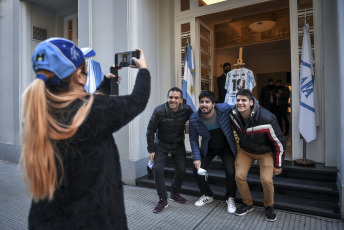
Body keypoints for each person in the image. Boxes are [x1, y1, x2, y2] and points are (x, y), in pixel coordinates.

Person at [21, 37, 150, 229]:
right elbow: (137, 100)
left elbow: (86, 106)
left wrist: (105, 85)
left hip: (46, 220)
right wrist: (144, 70)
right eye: (87, 72)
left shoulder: (37, 115)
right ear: (80, 76)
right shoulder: (94, 112)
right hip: (94, 220)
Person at [229, 89, 286, 222]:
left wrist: (278, 164)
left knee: (266, 180)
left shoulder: (267, 117)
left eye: (244, 100)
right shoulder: (233, 114)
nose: (240, 103)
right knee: (238, 176)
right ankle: (248, 204)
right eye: (238, 100)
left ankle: (269, 206)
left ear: (251, 102)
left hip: (265, 152)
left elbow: (279, 142)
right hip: (245, 151)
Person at [189, 91, 237, 213]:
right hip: (208, 148)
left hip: (226, 147)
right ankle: (207, 195)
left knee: (231, 172)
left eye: (207, 102)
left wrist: (254, 102)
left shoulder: (224, 109)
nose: (204, 104)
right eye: (201, 102)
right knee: (197, 169)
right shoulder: (194, 118)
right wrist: (196, 158)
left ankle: (230, 198)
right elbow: (193, 140)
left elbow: (241, 104)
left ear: (213, 104)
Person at [146, 87, 194, 213]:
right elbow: (150, 130)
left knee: (181, 170)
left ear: (181, 99)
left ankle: (174, 193)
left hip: (178, 144)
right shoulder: (159, 111)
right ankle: (162, 199)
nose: (173, 100)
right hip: (161, 144)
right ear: (168, 98)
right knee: (158, 169)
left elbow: (196, 121)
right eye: (171, 97)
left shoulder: (187, 110)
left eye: (176, 98)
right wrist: (151, 149)